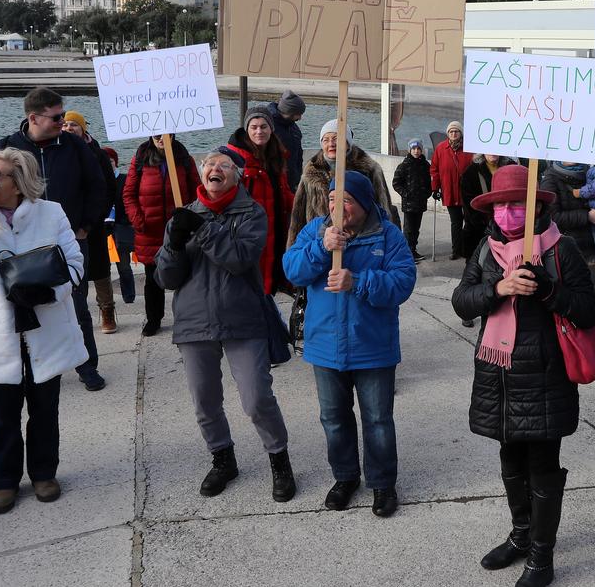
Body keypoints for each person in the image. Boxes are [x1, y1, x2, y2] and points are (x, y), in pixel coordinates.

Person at [453, 163, 595, 587]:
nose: (509, 213)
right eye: (502, 205)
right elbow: (462, 300)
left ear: (536, 205)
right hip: (496, 374)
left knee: (542, 463)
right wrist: (498, 288)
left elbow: (587, 312)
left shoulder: (561, 249)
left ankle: (541, 557)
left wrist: (546, 291)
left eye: (518, 204)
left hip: (544, 376)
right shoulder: (485, 248)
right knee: (509, 456)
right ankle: (520, 535)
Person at [155, 147, 295, 503]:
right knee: (205, 401)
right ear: (201, 172)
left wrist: (202, 229)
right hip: (193, 321)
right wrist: (172, 244)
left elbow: (238, 259)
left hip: (242, 318)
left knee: (256, 398)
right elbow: (167, 278)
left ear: (237, 174)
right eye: (209, 164)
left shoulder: (252, 213)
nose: (214, 169)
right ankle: (222, 459)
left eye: (223, 165)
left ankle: (279, 460)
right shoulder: (184, 214)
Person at [0, 148, 87, 514]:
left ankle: (44, 473)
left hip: (44, 323)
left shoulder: (51, 212)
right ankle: (4, 481)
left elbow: (75, 263)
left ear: (18, 182)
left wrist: (51, 292)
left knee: (46, 408)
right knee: (2, 414)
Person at [282, 170, 416, 517]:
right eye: (331, 198)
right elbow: (293, 270)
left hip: (373, 347)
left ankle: (383, 483)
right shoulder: (316, 230)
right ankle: (345, 477)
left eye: (345, 199)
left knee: (378, 419)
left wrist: (358, 281)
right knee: (333, 418)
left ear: (363, 202)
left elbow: (402, 283)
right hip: (325, 345)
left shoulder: (387, 236)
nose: (335, 205)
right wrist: (321, 248)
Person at [0, 88, 111, 392]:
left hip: (69, 240)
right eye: (56, 116)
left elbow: (97, 186)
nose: (63, 121)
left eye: (63, 115)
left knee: (76, 306)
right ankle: (33, 365)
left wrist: (85, 226)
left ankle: (87, 367)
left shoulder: (74, 146)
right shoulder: (7, 148)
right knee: (23, 307)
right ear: (33, 118)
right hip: (22, 247)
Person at [286, 120, 397, 349]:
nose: (331, 143)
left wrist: (391, 241)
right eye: (326, 139)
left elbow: (384, 207)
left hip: (363, 245)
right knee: (324, 303)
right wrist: (297, 249)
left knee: (361, 304)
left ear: (348, 142)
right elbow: (298, 214)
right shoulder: (311, 171)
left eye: (336, 137)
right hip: (319, 245)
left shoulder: (369, 168)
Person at [122, 135, 199, 337]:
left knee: (185, 276)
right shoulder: (140, 158)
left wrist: (189, 219)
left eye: (165, 133)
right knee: (152, 278)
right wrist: (139, 220)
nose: (161, 138)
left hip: (178, 230)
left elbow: (196, 191)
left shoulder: (183, 158)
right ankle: (153, 319)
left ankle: (187, 317)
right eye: (156, 134)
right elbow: (128, 194)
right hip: (150, 231)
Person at [61, 111, 119, 334]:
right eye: (64, 124)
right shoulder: (58, 151)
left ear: (83, 129)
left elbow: (108, 189)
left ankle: (106, 310)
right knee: (73, 273)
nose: (68, 128)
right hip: (65, 224)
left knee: (100, 269)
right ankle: (77, 313)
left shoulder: (98, 154)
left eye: (73, 125)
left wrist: (95, 218)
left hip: (92, 223)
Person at [226, 107, 294, 294]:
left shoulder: (276, 155)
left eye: (264, 126)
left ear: (271, 129)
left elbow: (283, 192)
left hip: (275, 228)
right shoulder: (234, 159)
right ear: (246, 130)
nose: (259, 131)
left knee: (267, 281)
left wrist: (302, 206)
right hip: (248, 231)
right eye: (254, 127)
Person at [541, 158, 595, 291]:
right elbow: (552, 217)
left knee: (591, 293)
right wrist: (587, 217)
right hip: (568, 250)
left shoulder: (592, 174)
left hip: (594, 247)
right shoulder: (550, 179)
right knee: (572, 295)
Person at [98, 146, 135, 308]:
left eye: (110, 161)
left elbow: (130, 203)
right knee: (102, 267)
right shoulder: (97, 181)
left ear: (115, 162)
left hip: (120, 227)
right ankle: (105, 300)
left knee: (124, 265)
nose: (107, 164)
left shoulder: (124, 179)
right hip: (101, 228)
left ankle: (129, 296)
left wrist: (125, 221)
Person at [430, 122, 473, 260]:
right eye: (451, 132)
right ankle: (456, 250)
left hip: (467, 192)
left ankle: (468, 249)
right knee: (455, 222)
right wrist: (435, 188)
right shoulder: (441, 149)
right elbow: (434, 170)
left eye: (457, 132)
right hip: (450, 191)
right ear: (448, 134)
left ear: (461, 133)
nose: (454, 134)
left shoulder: (469, 149)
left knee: (469, 220)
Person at [460, 152, 509, 261]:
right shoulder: (471, 173)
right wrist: (487, 224)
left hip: (507, 231)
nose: (493, 152)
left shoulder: (511, 167)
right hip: (479, 231)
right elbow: (470, 206)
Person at [392, 138, 432, 261]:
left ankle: (413, 250)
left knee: (416, 229)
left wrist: (427, 193)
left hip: (420, 202)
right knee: (408, 229)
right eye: (413, 149)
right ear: (410, 150)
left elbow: (428, 182)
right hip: (408, 204)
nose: (416, 151)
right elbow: (396, 183)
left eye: (418, 149)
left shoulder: (425, 165)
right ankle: (407, 253)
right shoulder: (404, 165)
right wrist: (406, 194)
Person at [261, 89, 306, 193]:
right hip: (273, 183)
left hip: (291, 182)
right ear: (289, 112)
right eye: (298, 113)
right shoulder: (268, 126)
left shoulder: (294, 128)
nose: (300, 117)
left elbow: (298, 156)